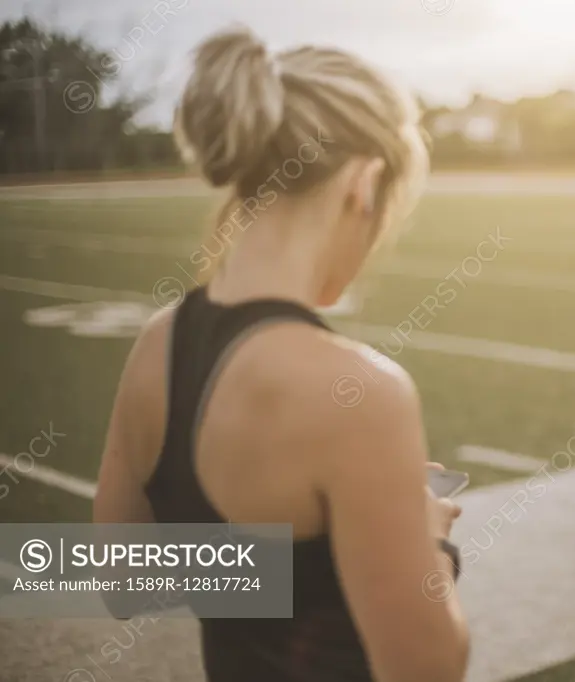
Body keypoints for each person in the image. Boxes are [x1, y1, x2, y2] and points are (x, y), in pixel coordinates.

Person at [92, 26, 470, 682]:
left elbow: (123, 581)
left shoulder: (161, 341)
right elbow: (427, 667)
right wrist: (426, 536)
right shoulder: (361, 394)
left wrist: (315, 554)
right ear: (364, 183)